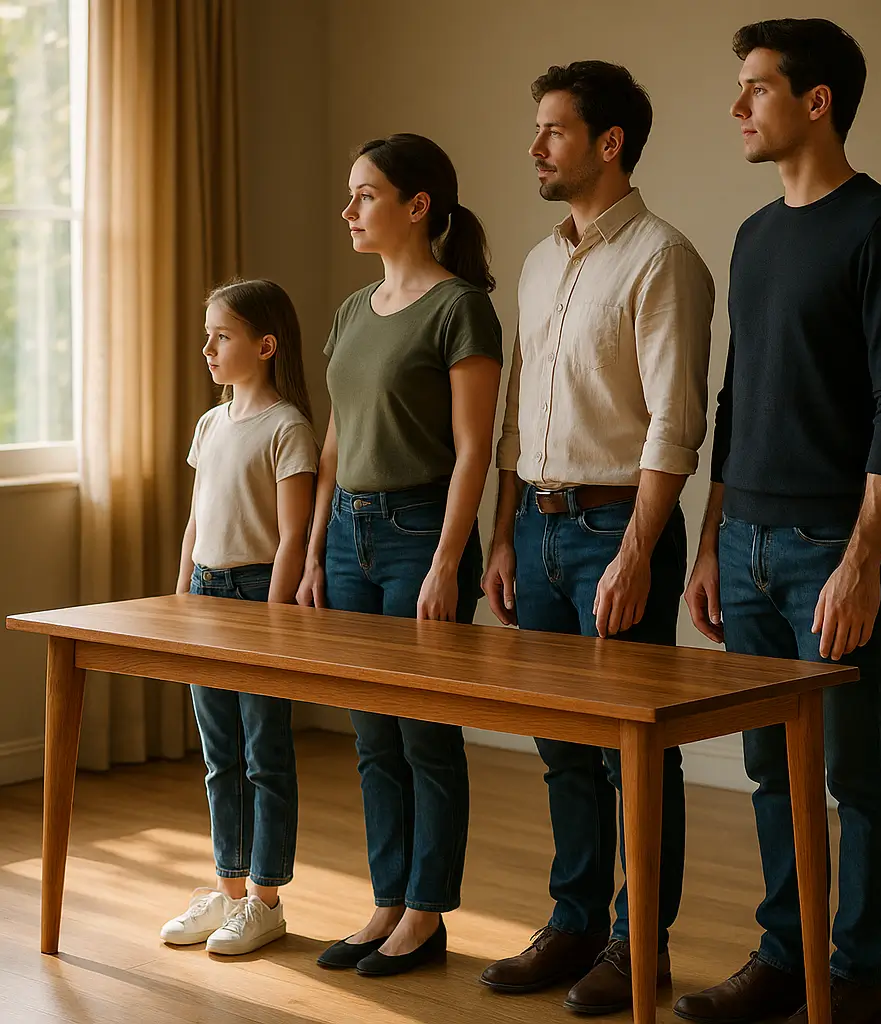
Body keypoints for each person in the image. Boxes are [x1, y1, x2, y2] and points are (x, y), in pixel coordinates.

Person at [676, 19, 881, 1024]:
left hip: (836, 546)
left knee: (855, 768)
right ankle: (784, 957)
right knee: (765, 768)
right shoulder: (752, 236)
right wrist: (709, 542)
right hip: (742, 548)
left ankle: (858, 977)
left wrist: (863, 559)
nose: (736, 107)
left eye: (754, 87)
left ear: (815, 100)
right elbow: (737, 401)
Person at [479, 62, 714, 1016]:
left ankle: (638, 946)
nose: (536, 147)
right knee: (562, 748)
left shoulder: (664, 259)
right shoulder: (539, 264)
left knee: (633, 752)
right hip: (532, 531)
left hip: (618, 526)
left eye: (554, 131)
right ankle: (573, 922)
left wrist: (636, 552)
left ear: (608, 143)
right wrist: (499, 538)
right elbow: (512, 415)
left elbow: (674, 423)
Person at [298, 134, 503, 978]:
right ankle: (385, 902)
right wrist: (314, 551)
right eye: (351, 196)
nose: (349, 211)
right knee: (371, 736)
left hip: (423, 531)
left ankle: (427, 912)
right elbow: (337, 441)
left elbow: (473, 449)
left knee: (425, 735)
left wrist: (448, 561)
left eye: (365, 195)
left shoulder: (462, 309)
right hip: (347, 535)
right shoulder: (351, 310)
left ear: (418, 206)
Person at [160, 278, 319, 955]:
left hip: (258, 595)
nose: (207, 348)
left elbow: (291, 535)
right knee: (218, 753)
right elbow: (198, 521)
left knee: (264, 754)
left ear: (265, 344)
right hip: (204, 593)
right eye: (208, 334)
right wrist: (180, 596)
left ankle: (265, 900)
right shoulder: (210, 423)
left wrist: (275, 618)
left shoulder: (287, 427)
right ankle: (227, 892)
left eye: (220, 336)